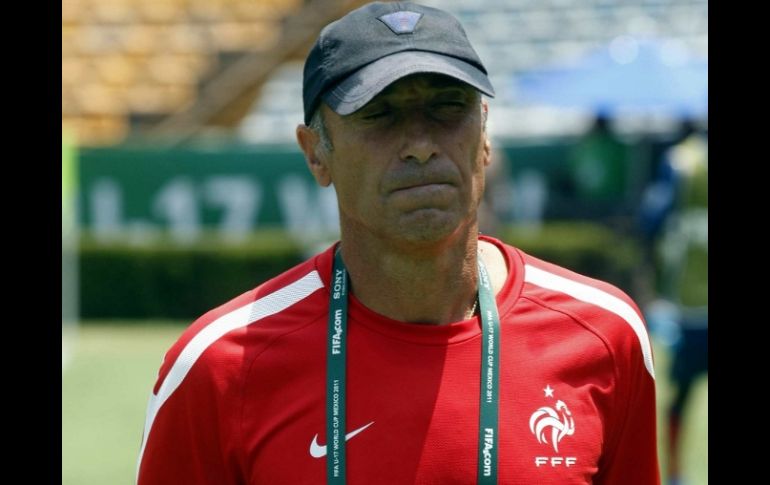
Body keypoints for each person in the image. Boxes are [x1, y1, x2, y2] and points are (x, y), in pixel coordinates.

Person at [136, 2, 660, 484]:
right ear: (316, 153)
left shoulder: (604, 334)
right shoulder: (220, 367)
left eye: (447, 107)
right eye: (378, 114)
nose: (420, 145)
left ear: (485, 136)